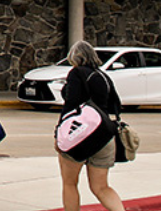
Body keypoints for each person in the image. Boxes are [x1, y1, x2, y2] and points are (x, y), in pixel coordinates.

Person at [58, 40, 125, 211]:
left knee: (70, 183)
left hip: (79, 135)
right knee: (101, 187)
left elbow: (70, 105)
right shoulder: (103, 76)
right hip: (103, 135)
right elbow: (116, 105)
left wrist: (59, 132)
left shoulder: (77, 74)